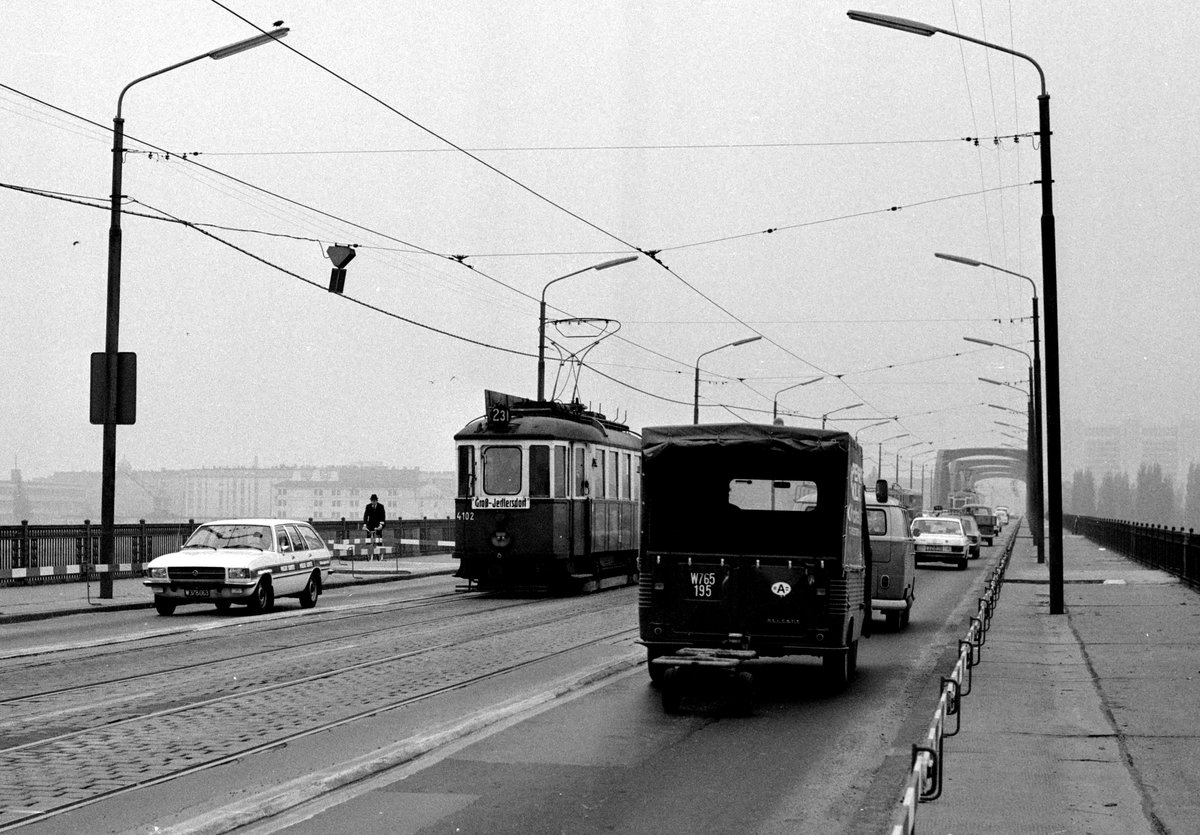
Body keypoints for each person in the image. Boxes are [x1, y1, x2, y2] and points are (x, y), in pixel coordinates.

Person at [362, 494, 386, 560]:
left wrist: (381, 525)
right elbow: (366, 516)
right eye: (372, 501)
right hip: (370, 524)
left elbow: (383, 516)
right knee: (368, 537)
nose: (373, 502)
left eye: (374, 501)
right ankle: (368, 553)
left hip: (378, 524)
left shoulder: (381, 506)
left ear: (376, 501)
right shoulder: (368, 506)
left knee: (379, 538)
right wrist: (364, 524)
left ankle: (380, 553)